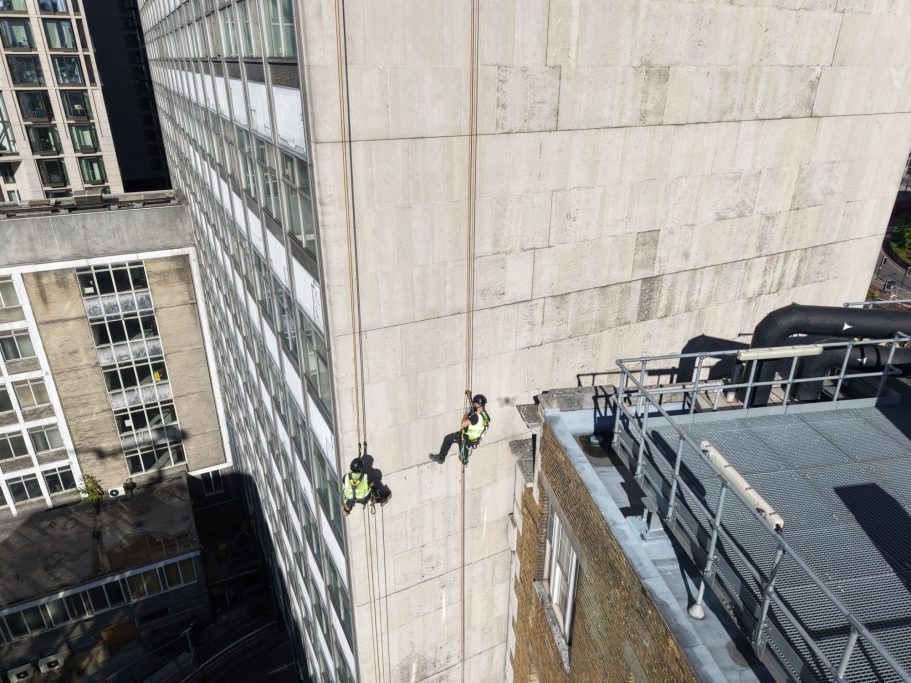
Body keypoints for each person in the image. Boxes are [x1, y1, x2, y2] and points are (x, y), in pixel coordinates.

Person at [429, 394, 490, 465]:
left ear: (477, 404)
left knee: (448, 439)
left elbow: (462, 424)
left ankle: (442, 458)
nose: (473, 405)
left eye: (474, 404)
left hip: (465, 439)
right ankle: (461, 456)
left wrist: (466, 413)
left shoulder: (476, 417)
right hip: (474, 440)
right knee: (451, 438)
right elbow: (482, 428)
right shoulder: (486, 416)